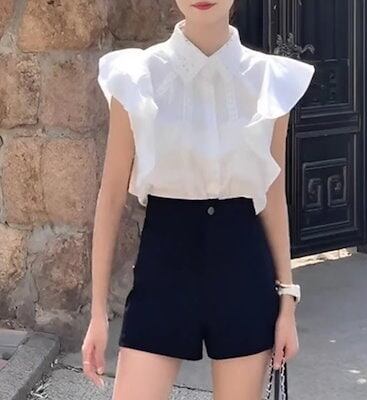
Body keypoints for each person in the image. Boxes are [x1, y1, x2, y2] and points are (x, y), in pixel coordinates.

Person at [81, 1, 314, 399]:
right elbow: (112, 192)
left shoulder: (269, 81)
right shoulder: (136, 76)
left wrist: (287, 302)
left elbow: (272, 194)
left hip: (242, 269)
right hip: (164, 267)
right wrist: (98, 312)